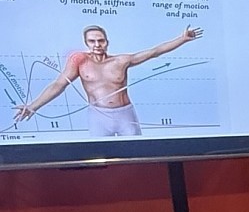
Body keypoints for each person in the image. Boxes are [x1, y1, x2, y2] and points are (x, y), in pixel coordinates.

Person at [13, 24, 203, 137]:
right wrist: (33, 106)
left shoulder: (121, 60)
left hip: (125, 115)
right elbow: (59, 84)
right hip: (98, 117)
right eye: (92, 41)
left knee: (137, 157)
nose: (97, 45)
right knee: (99, 160)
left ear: (107, 42)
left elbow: (154, 52)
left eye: (101, 40)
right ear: (86, 43)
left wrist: (182, 39)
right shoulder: (79, 60)